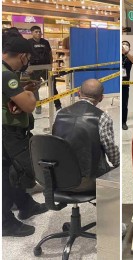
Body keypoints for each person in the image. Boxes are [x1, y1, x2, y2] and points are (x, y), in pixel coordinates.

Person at [3, 37, 48, 237]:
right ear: (22, 56)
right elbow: (29, 106)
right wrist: (30, 94)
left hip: (8, 131)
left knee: (15, 171)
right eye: (28, 57)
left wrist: (24, 92)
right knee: (11, 174)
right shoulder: (7, 76)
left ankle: (25, 204)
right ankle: (5, 222)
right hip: (9, 133)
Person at [53, 79, 120, 192]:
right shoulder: (102, 117)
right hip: (89, 180)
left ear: (79, 93)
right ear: (101, 98)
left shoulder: (60, 113)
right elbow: (111, 150)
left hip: (60, 178)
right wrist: (118, 165)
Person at [27, 25, 61, 114]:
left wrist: (51, 64)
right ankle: (38, 106)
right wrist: (28, 67)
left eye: (39, 32)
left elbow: (50, 54)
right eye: (36, 32)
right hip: (33, 69)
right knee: (34, 88)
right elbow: (26, 55)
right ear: (32, 33)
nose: (38, 33)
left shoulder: (45, 42)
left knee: (52, 85)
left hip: (46, 67)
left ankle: (58, 105)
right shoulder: (28, 42)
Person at [121, 40, 133, 130]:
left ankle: (124, 122)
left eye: (127, 44)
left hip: (125, 84)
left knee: (124, 103)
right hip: (116, 82)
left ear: (129, 48)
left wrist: (126, 53)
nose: (124, 45)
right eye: (123, 44)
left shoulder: (129, 57)